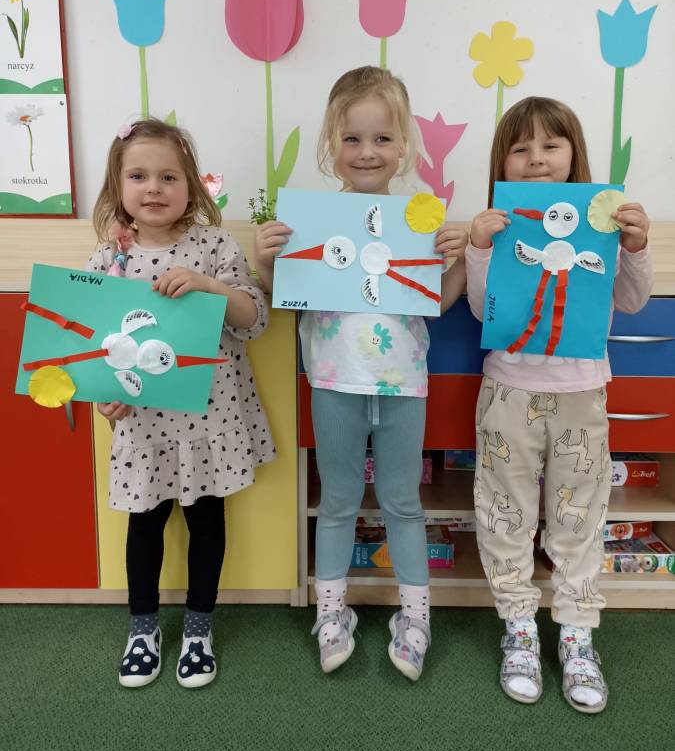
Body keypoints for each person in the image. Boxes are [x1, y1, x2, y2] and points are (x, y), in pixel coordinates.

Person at [254, 66, 467, 680]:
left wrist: (456, 259)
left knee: (403, 501)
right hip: (333, 380)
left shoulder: (420, 221)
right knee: (339, 500)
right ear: (332, 145)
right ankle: (330, 613)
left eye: (382, 138)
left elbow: (439, 300)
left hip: (402, 383)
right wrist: (267, 261)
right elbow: (286, 295)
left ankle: (416, 617)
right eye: (352, 138)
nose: (367, 151)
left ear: (404, 146)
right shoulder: (313, 222)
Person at [465, 96, 652, 713]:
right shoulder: (497, 224)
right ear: (503, 161)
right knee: (505, 510)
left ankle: (576, 633)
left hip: (581, 394)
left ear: (574, 155)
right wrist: (479, 247)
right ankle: (519, 628)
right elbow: (482, 309)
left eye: (551, 145)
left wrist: (635, 245)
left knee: (579, 516)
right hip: (509, 390)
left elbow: (632, 302)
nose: (537, 158)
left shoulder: (604, 222)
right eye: (520, 148)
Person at [88, 118, 275, 689]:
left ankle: (198, 628)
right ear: (118, 186)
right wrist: (104, 397)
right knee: (143, 525)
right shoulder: (108, 258)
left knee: (206, 523)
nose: (153, 187)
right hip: (143, 424)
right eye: (138, 176)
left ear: (191, 186)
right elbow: (95, 348)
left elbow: (254, 321)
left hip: (207, 421)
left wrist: (210, 286)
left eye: (168, 176)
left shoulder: (213, 246)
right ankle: (142, 628)